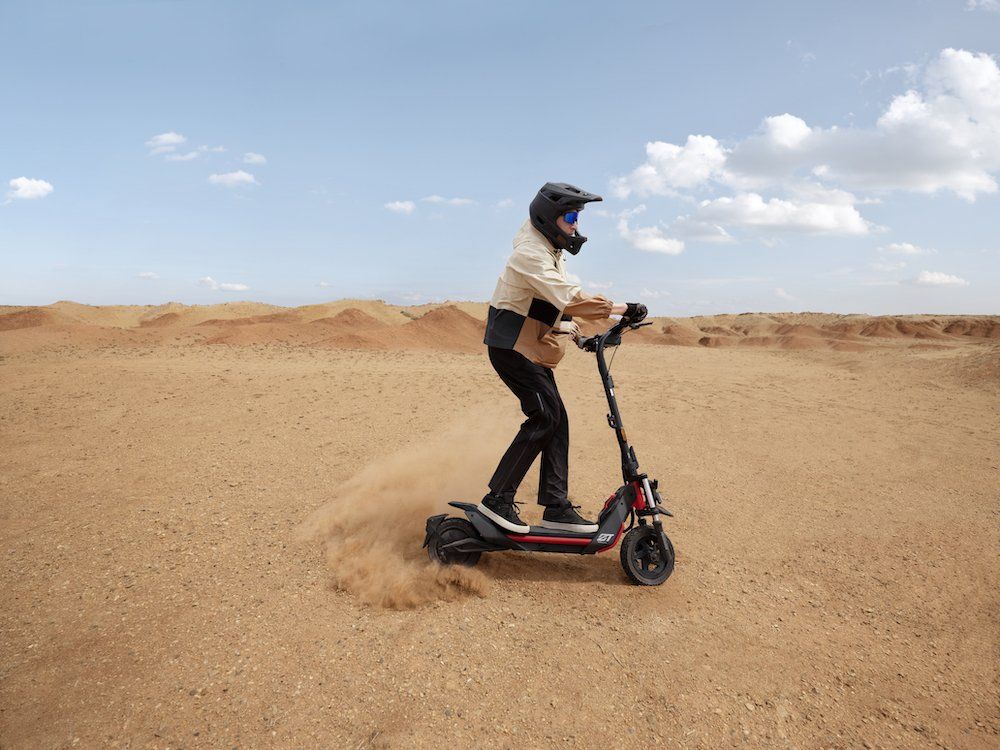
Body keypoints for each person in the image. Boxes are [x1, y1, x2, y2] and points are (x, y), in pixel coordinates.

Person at [479, 182, 647, 534]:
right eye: (570, 217)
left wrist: (580, 335)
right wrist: (623, 308)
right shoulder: (530, 254)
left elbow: (548, 308)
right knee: (545, 415)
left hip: (530, 349)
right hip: (512, 348)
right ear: (548, 217)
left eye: (576, 218)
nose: (575, 225)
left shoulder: (548, 252)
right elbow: (569, 299)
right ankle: (497, 499)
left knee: (558, 420)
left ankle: (556, 506)